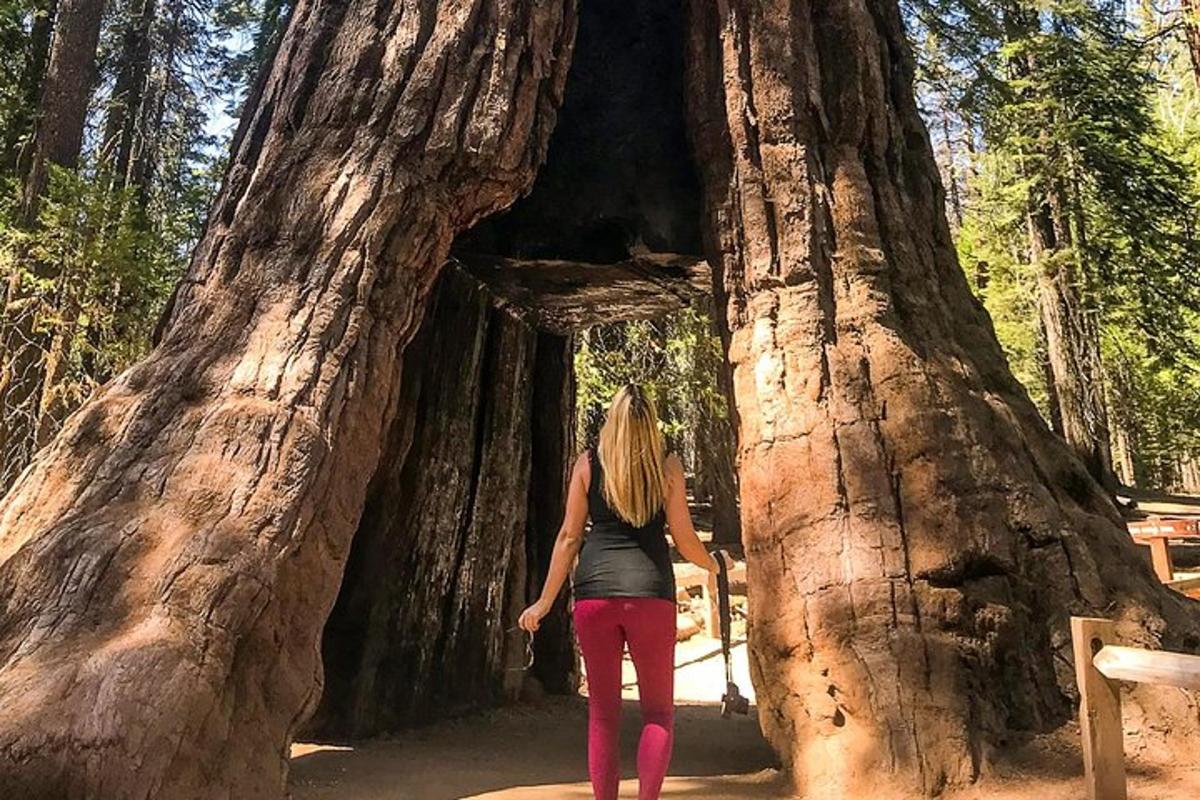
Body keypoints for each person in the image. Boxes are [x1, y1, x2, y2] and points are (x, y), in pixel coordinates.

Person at [518, 383, 731, 800]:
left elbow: (568, 538)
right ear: (651, 426)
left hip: (595, 597)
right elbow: (685, 539)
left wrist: (543, 603)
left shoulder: (587, 465)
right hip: (651, 594)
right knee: (658, 713)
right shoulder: (667, 467)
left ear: (611, 421)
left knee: (603, 715)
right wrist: (715, 563)